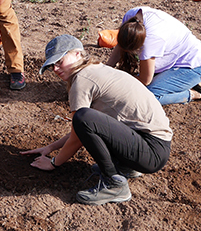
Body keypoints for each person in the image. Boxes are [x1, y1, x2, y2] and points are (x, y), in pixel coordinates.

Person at [21, 35, 172, 206]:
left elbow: (80, 129)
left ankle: (115, 184)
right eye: (51, 65)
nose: (55, 69)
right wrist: (50, 147)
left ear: (78, 54)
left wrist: (54, 163)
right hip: (152, 147)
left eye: (60, 61)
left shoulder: (82, 80)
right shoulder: (96, 70)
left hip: (150, 152)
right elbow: (87, 128)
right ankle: (125, 167)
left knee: (83, 117)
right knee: (87, 119)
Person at [106, 7, 201, 105]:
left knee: (147, 96)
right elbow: (121, 45)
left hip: (194, 66)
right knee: (135, 85)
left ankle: (194, 93)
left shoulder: (150, 42)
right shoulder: (131, 18)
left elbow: (145, 80)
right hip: (173, 60)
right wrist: (106, 68)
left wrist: (118, 82)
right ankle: (174, 81)